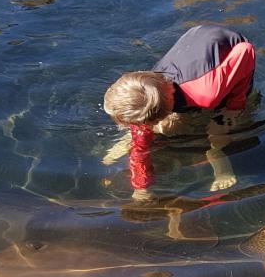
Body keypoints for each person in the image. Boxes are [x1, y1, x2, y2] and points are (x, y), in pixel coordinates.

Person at [103, 25, 256, 200]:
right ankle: (135, 137)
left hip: (230, 49)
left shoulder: (207, 93)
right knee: (144, 138)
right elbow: (141, 148)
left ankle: (219, 158)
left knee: (217, 131)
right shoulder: (147, 84)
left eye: (139, 124)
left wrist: (234, 105)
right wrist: (141, 188)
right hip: (193, 42)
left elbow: (245, 50)